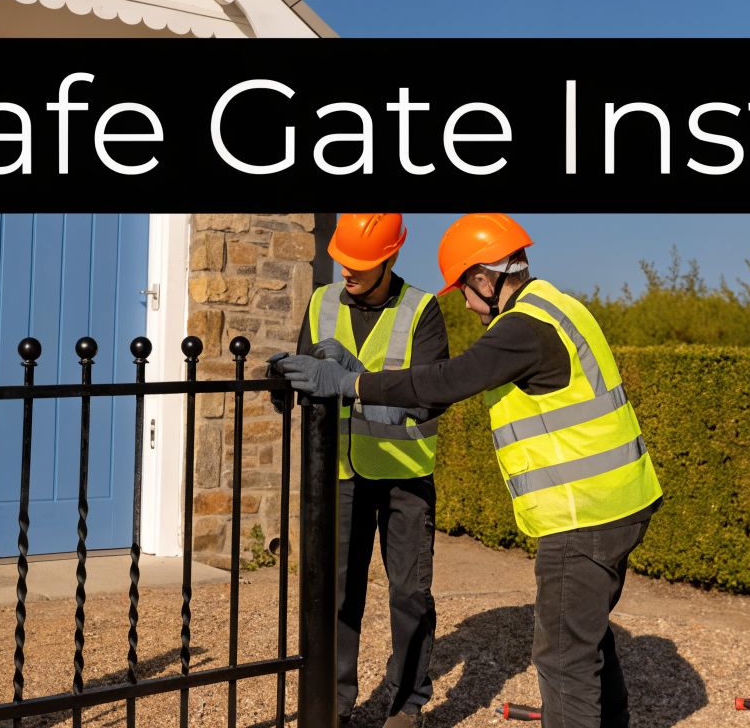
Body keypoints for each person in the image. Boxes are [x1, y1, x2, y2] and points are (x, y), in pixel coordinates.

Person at [277, 212, 663, 728]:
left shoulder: (521, 328)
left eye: (464, 286)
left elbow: (444, 382)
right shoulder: (558, 304)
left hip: (582, 517)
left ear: (486, 277)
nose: (462, 299)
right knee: (586, 638)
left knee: (563, 657)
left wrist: (353, 385)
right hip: (621, 501)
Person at [292, 213, 450, 728]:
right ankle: (334, 704)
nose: (348, 272)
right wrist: (284, 384)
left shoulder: (421, 310)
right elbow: (308, 378)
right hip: (340, 474)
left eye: (360, 264)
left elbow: (428, 398)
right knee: (338, 593)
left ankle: (408, 702)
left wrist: (355, 379)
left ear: (391, 257)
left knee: (409, 593)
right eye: (343, 260)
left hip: (405, 477)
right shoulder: (321, 303)